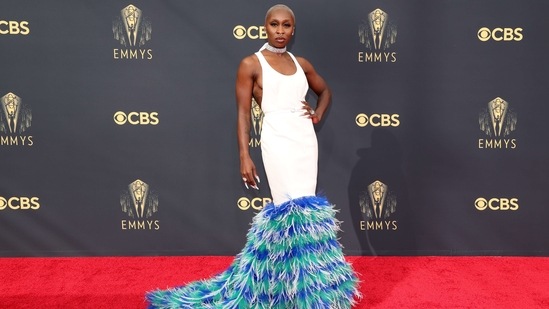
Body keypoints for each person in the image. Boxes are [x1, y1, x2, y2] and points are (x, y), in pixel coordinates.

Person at [146, 4, 360, 308]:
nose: (281, 31)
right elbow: (243, 115)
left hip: (304, 140)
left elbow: (325, 91)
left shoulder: (302, 63)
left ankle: (301, 288)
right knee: (289, 210)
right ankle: (295, 291)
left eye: (287, 26)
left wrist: (317, 114)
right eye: (275, 25)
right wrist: (244, 155)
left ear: (293, 30)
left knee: (306, 212)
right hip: (276, 139)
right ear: (265, 27)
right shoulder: (251, 64)